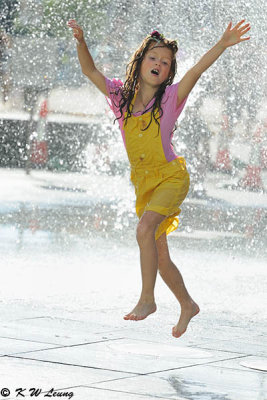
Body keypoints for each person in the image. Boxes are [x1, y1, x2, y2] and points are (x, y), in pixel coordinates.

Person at [67, 19, 250, 338]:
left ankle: (147, 300)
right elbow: (90, 72)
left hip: (171, 177)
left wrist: (222, 44)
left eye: (165, 62)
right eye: (153, 57)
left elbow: (196, 72)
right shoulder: (119, 97)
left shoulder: (170, 99)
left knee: (144, 229)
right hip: (144, 184)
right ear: (140, 62)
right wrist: (82, 42)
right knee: (160, 256)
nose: (159, 64)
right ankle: (187, 304)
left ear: (169, 72)